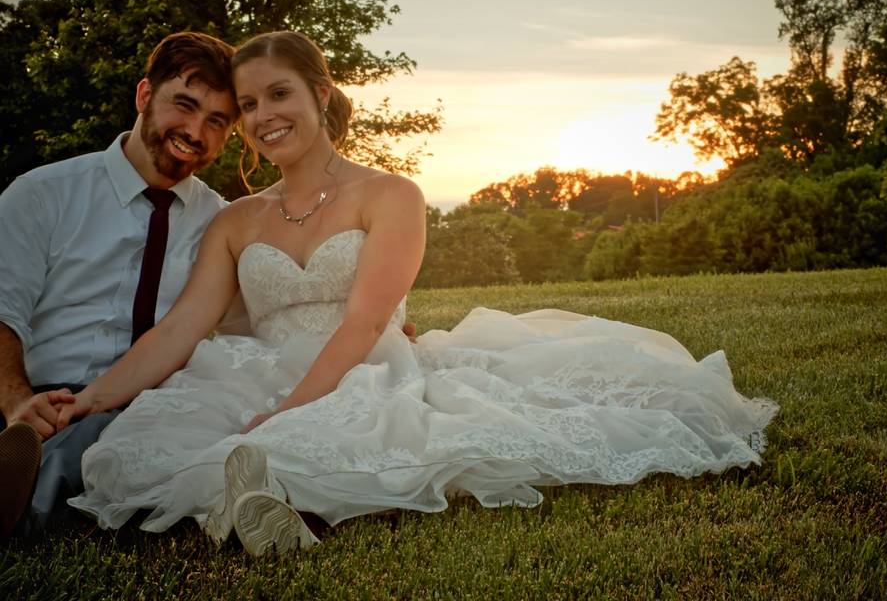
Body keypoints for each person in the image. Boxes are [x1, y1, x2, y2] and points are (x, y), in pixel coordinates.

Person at [66, 30, 779, 557]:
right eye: (247, 105)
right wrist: (89, 398)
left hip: (367, 362)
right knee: (160, 443)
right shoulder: (235, 220)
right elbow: (183, 328)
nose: (261, 116)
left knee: (354, 425)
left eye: (277, 94)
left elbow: (365, 320)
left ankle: (267, 496)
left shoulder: (392, 195)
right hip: (257, 363)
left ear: (319, 94)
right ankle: (251, 503)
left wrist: (283, 413)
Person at [0, 31, 239, 538]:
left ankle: (28, 495)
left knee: (129, 442)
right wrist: (18, 402)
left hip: (151, 405)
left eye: (216, 121)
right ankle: (28, 468)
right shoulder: (43, 194)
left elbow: (264, 311)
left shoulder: (224, 224)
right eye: (185, 105)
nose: (195, 131)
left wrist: (365, 328)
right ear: (145, 96)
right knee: (79, 447)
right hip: (40, 399)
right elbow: (3, 310)